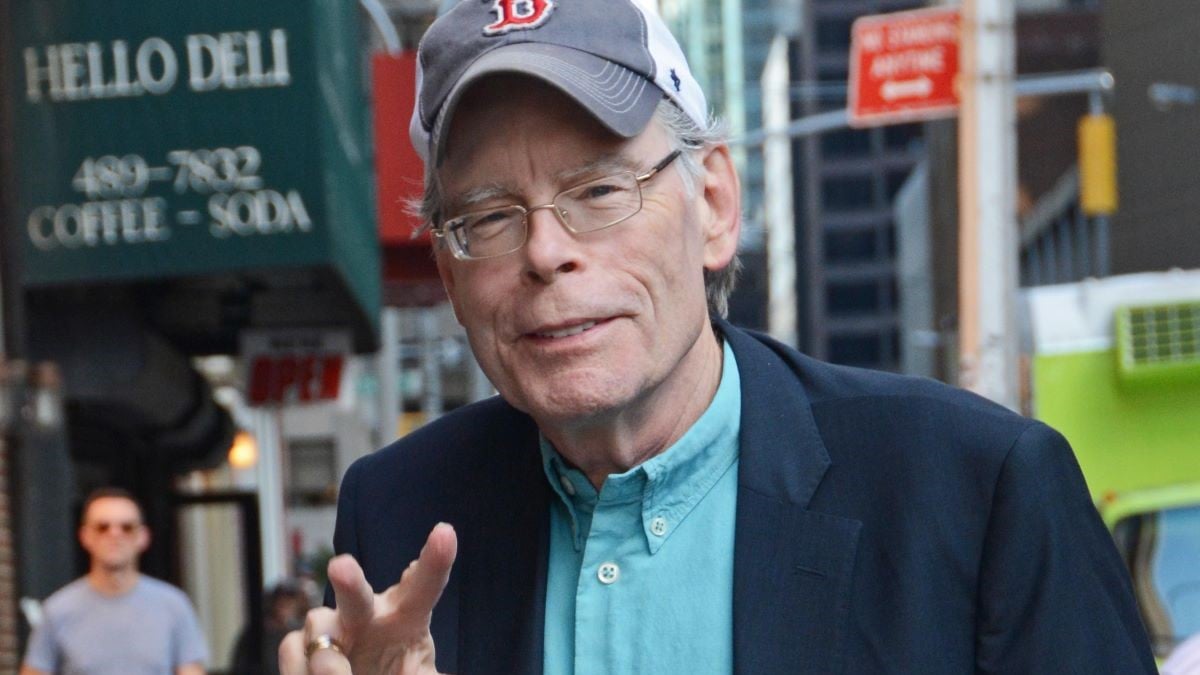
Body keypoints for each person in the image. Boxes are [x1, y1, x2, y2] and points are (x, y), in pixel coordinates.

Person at [280, 0, 1157, 672]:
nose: (546, 252)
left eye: (598, 190)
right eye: (490, 216)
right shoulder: (395, 510)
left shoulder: (977, 491)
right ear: (448, 272)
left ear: (715, 206)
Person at [21, 487, 209, 675]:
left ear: (143, 537)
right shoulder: (58, 610)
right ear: (85, 536)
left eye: (126, 528)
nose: (115, 535)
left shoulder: (174, 606)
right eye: (103, 527)